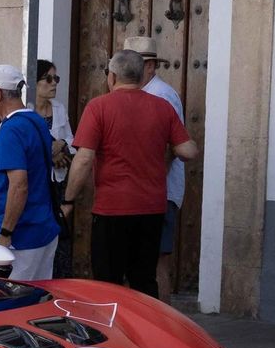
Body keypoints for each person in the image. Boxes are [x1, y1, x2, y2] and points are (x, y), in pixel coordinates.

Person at [61, 49, 199, 297]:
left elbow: (83, 160)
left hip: (112, 209)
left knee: (107, 282)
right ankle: (146, 333)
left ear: (112, 77)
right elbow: (188, 151)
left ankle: (113, 333)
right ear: (140, 75)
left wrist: (68, 200)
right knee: (145, 280)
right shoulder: (162, 107)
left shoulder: (98, 107)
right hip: (151, 208)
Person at [0, 64, 59, 280]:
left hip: (20, 238)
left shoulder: (12, 130)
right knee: (35, 304)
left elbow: (19, 185)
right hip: (42, 230)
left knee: (8, 306)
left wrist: (5, 235)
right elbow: (2, 165)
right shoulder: (34, 121)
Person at [127, 37, 187, 299]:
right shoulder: (145, 93)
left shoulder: (161, 95)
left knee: (156, 262)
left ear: (149, 66)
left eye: (135, 63)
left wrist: (150, 183)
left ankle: (163, 326)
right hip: (146, 192)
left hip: (157, 194)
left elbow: (169, 147)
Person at [35, 59, 75, 276]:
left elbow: (71, 139)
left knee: (58, 238)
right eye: (48, 79)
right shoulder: (27, 109)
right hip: (36, 184)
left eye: (56, 78)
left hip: (57, 183)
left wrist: (60, 147)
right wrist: (50, 150)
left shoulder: (58, 108)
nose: (54, 83)